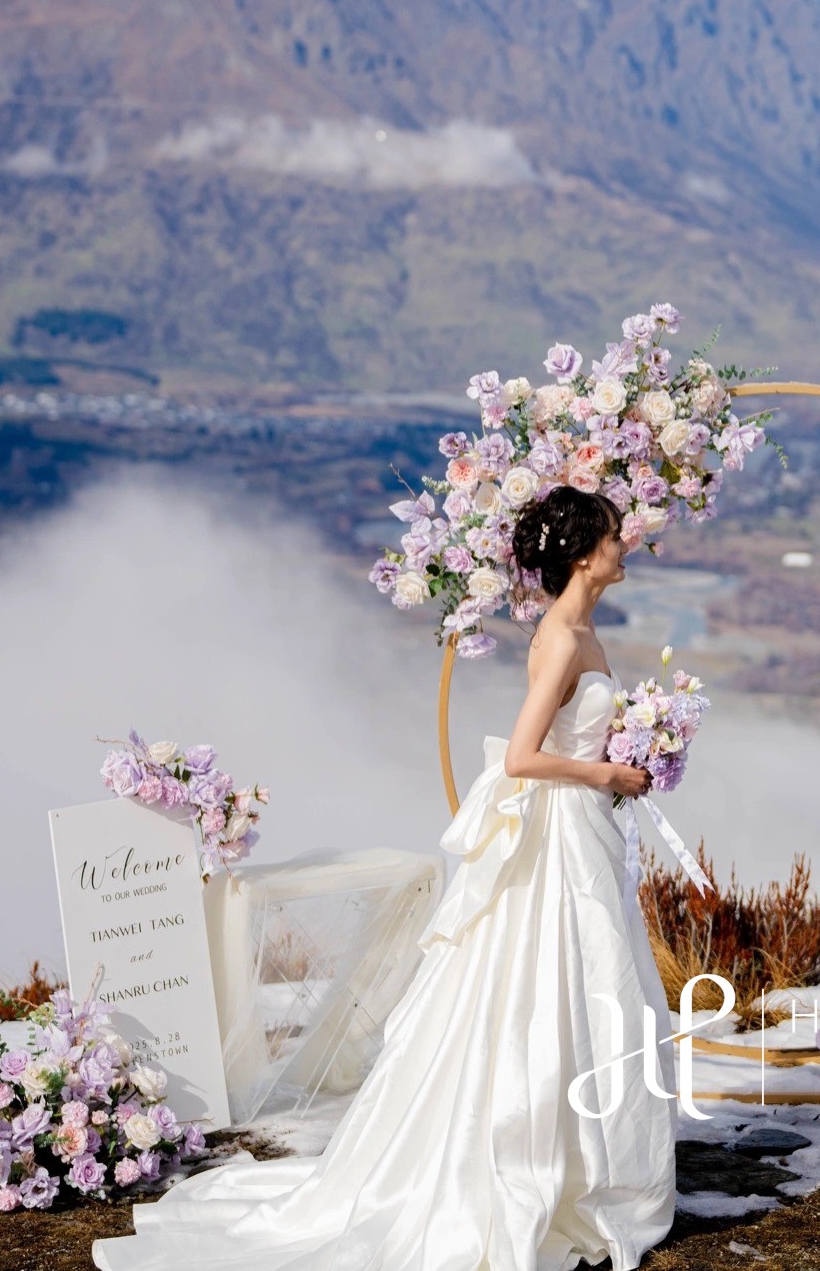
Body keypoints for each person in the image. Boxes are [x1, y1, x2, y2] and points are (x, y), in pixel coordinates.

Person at [94, 485, 677, 1271]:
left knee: (579, 985)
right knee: (553, 982)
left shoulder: (580, 627)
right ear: (582, 555)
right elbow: (521, 758)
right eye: (612, 535)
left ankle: (576, 1160)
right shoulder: (564, 639)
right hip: (561, 831)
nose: (623, 543)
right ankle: (541, 1158)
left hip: (577, 830)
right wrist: (605, 771)